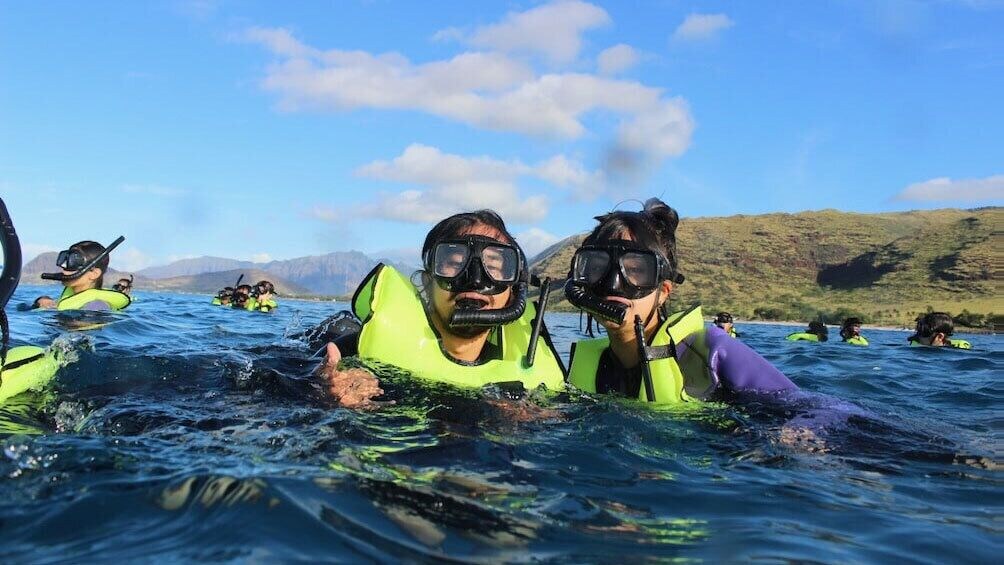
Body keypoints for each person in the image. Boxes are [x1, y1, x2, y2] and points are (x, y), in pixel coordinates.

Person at [316, 210, 566, 408]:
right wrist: (326, 388)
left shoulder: (537, 386)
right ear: (427, 281)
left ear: (513, 290)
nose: (475, 280)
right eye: (454, 263)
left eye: (494, 267)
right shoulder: (353, 353)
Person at [564, 198, 796, 403]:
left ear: (664, 290)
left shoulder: (711, 352)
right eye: (597, 267)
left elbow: (811, 411)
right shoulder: (591, 366)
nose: (612, 284)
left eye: (635, 270)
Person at [40, 238, 131, 311]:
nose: (64, 268)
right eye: (66, 260)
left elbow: (85, 331)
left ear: (94, 274)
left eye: (73, 262)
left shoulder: (96, 305)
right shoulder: (71, 294)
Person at [907, 312, 972, 349]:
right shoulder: (914, 345)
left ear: (940, 337)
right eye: (919, 331)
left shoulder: (960, 349)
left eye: (924, 333)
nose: (918, 336)